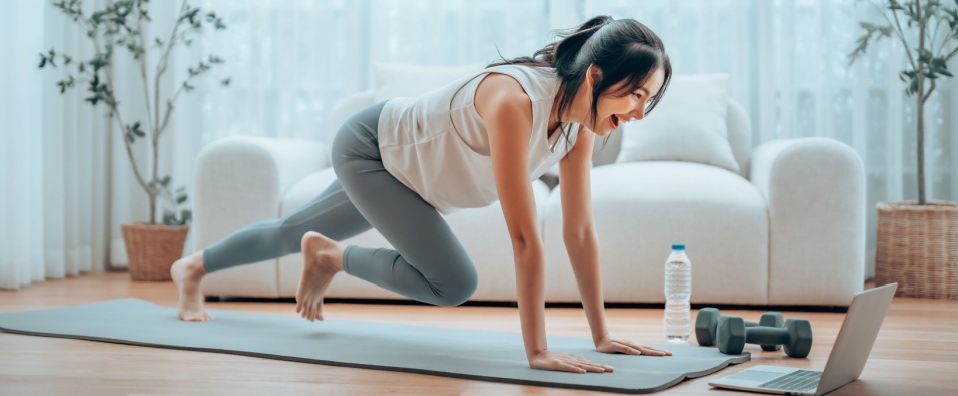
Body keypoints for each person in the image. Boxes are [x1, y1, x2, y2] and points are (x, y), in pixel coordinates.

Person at [171, 15, 673, 374]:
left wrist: (601, 335)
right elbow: (524, 239)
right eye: (636, 95)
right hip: (373, 149)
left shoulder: (578, 127)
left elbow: (579, 231)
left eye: (649, 100)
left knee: (289, 229)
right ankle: (328, 255)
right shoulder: (514, 100)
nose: (639, 113)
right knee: (453, 282)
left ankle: (192, 267)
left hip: (408, 176)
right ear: (595, 75)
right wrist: (537, 351)